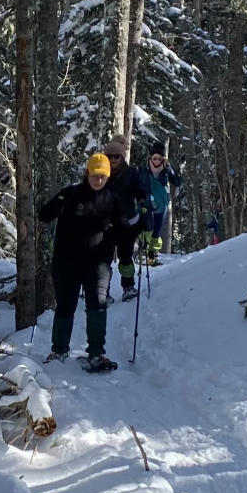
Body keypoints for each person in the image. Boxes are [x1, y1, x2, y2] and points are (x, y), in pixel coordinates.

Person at [38, 152, 140, 372]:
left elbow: (124, 231)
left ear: (108, 176)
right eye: (95, 175)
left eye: (103, 176)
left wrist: (140, 224)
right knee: (66, 305)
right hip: (66, 261)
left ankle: (96, 353)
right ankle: (59, 350)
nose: (98, 179)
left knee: (98, 305)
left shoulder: (113, 200)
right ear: (87, 173)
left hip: (98, 263)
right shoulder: (70, 194)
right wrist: (57, 206)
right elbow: (43, 215)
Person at [103, 134, 152, 301]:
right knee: (104, 259)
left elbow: (140, 191)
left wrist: (143, 202)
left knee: (125, 257)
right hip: (107, 223)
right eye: (109, 156)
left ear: (122, 157)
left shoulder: (131, 172)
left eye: (116, 156)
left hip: (127, 222)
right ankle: (103, 291)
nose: (112, 159)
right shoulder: (102, 172)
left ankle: (128, 286)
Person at [138, 141, 181, 264]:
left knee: (156, 231)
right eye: (154, 158)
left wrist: (173, 176)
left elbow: (176, 181)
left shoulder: (166, 169)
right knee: (148, 228)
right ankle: (143, 251)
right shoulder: (143, 169)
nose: (157, 161)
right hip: (147, 203)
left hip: (161, 203)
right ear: (150, 157)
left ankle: (152, 256)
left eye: (159, 159)